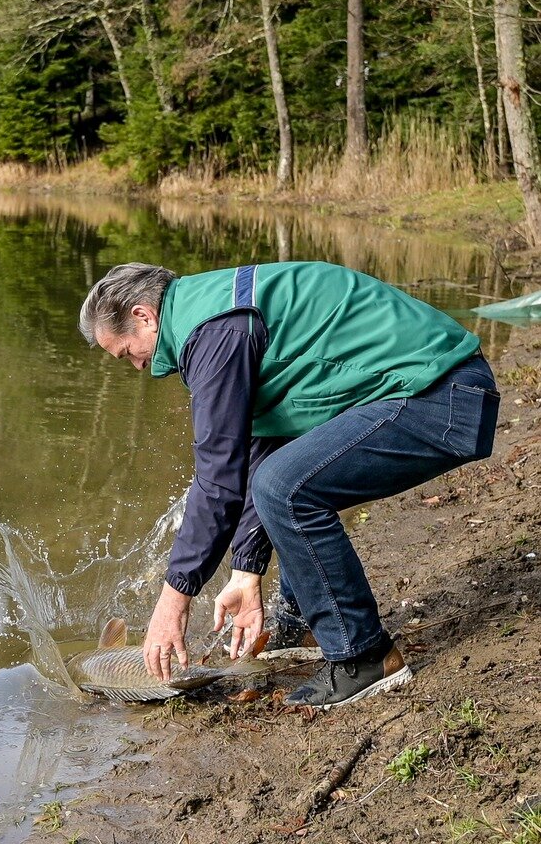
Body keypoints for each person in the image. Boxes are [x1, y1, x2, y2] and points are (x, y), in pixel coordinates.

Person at [79, 260, 500, 709]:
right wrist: (246, 571)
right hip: (438, 389)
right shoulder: (215, 315)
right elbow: (260, 447)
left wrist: (172, 601)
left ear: (143, 315)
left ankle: (364, 656)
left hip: (443, 396)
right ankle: (299, 623)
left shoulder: (214, 334)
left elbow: (218, 480)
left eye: (126, 352)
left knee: (285, 488)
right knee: (282, 476)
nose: (136, 366)